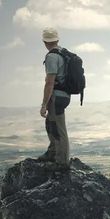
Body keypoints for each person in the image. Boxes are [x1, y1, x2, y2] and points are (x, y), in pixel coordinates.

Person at [37, 28, 71, 171]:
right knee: (51, 125)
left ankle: (62, 162)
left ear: (45, 42)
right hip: (65, 95)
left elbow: (50, 82)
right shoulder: (64, 53)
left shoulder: (51, 56)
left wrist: (44, 104)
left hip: (56, 96)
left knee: (58, 129)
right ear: (57, 40)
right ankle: (52, 152)